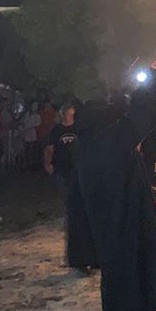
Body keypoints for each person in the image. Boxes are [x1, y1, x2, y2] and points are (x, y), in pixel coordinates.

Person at [74, 72, 156, 311]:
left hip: (103, 222)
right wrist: (151, 76)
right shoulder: (116, 136)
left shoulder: (85, 147)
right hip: (126, 218)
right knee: (131, 270)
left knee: (114, 273)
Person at [45, 104, 98, 273]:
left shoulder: (79, 129)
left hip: (79, 170)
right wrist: (48, 163)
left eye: (71, 115)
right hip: (64, 170)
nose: (69, 117)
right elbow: (50, 148)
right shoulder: (57, 130)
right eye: (66, 115)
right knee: (72, 207)